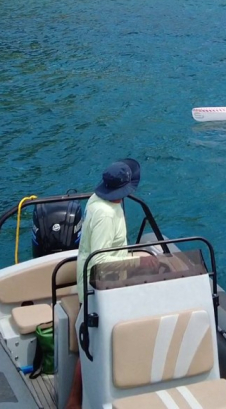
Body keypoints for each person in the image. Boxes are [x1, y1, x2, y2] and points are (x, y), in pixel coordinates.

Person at [66, 159, 156, 409]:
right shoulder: (105, 214)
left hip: (112, 280)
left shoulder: (98, 200)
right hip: (100, 285)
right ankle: (75, 402)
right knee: (94, 342)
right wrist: (136, 262)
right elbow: (102, 261)